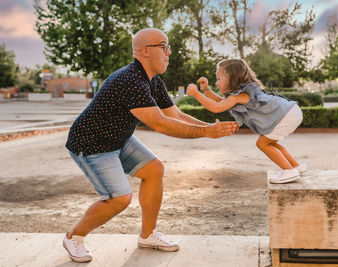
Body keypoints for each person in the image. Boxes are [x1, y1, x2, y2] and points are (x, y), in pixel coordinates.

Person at [63, 28, 239, 263]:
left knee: (154, 169)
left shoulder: (153, 80)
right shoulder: (130, 80)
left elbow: (173, 114)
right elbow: (161, 124)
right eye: (164, 46)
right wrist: (207, 132)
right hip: (92, 144)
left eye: (168, 47)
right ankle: (74, 237)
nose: (169, 52)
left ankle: (148, 235)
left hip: (118, 138)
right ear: (145, 51)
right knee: (119, 198)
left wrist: (208, 127)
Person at [186, 59, 306, 184]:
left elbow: (216, 108)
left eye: (219, 79)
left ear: (231, 78)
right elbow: (221, 102)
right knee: (270, 143)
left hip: (285, 114)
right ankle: (296, 167)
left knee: (262, 144)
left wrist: (196, 94)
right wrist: (206, 91)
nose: (216, 83)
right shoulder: (240, 95)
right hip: (290, 111)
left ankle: (289, 170)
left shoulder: (240, 95)